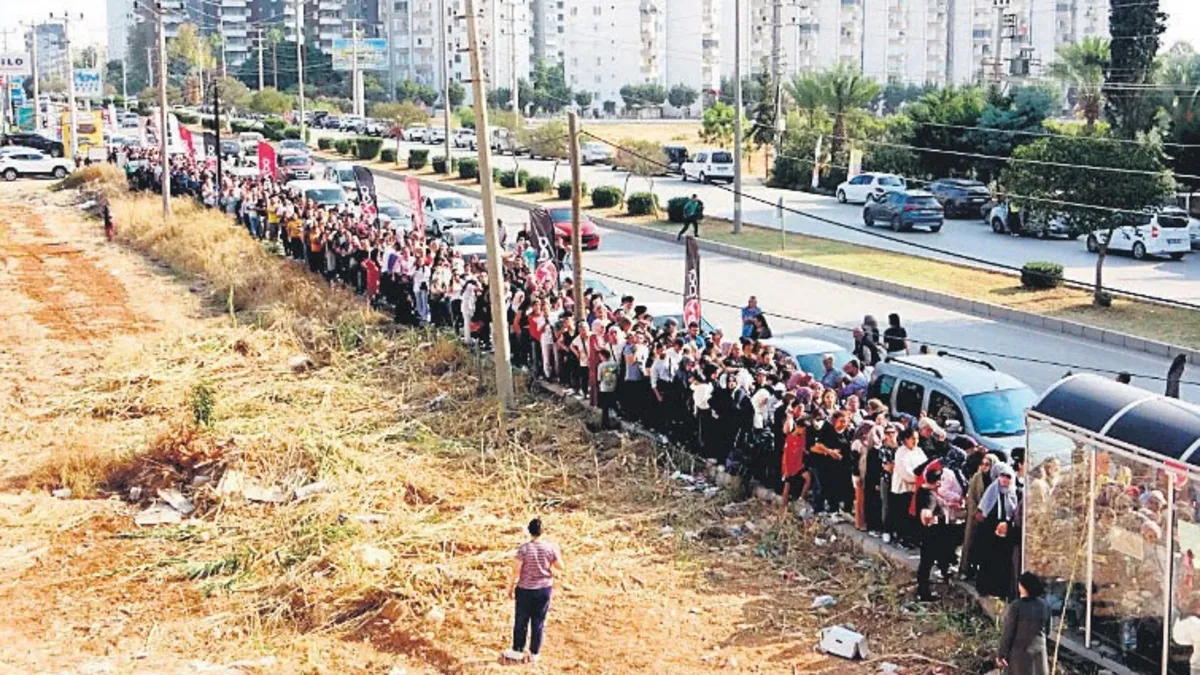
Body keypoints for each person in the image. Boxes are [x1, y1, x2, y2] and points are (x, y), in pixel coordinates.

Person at [504, 518, 564, 664]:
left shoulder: (523, 549)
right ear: (543, 531)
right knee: (538, 622)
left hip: (525, 589)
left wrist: (510, 587)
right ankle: (535, 652)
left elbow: (516, 571)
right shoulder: (550, 548)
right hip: (544, 589)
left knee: (521, 620)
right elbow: (560, 566)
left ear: (528, 531)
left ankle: (517, 650)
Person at [976, 462, 1019, 599]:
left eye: (1008, 477)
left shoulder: (1014, 492)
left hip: (1005, 534)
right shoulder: (992, 490)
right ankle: (985, 588)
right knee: (988, 561)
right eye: (1003, 476)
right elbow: (983, 512)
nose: (1005, 480)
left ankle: (1000, 590)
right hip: (990, 533)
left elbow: (1013, 512)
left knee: (1002, 563)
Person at [997, 572, 1050, 675]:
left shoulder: (1016, 606)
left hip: (1020, 654)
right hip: (1039, 652)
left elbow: (1008, 633)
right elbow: (1047, 629)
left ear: (1022, 587)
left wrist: (1001, 654)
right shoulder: (1044, 605)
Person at [962, 453, 998, 581]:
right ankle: (967, 570)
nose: (983, 467)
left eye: (987, 465)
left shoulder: (997, 479)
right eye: (982, 464)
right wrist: (976, 512)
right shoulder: (977, 478)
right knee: (971, 543)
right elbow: (971, 497)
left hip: (991, 519)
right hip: (976, 516)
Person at [915, 467, 949, 601]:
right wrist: (932, 520)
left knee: (925, 562)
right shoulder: (930, 496)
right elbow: (926, 514)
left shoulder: (922, 490)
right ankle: (924, 593)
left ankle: (923, 589)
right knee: (926, 563)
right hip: (931, 535)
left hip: (926, 534)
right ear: (938, 482)